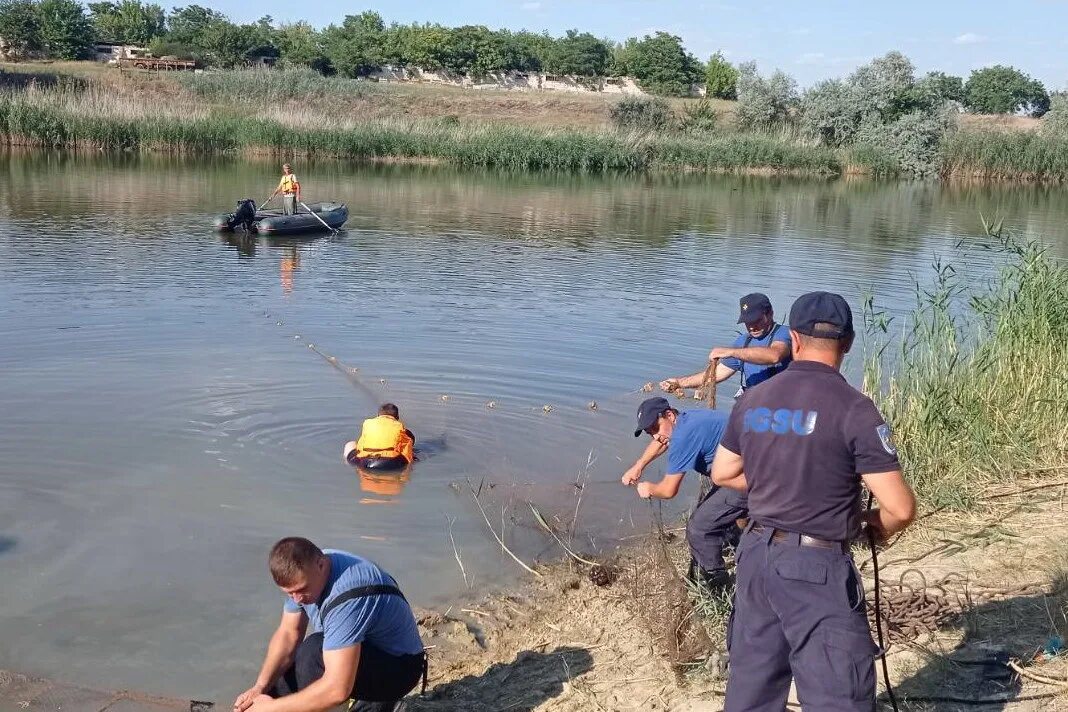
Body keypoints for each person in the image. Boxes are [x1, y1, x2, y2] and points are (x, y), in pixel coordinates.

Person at [711, 291, 917, 712]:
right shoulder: (855, 410)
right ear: (849, 343)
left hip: (755, 555)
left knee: (752, 686)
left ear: (796, 340)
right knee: (837, 694)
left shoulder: (754, 400)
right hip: (816, 568)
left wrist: (778, 485)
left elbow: (723, 473)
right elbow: (900, 509)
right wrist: (870, 524)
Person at [233, 537, 426, 712]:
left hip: (400, 668)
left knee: (313, 653)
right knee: (285, 674)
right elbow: (288, 635)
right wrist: (260, 688)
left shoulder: (349, 597)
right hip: (365, 650)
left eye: (301, 590)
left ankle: (383, 700)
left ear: (321, 564)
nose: (297, 599)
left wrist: (273, 708)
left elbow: (337, 690)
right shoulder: (305, 571)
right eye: (290, 593)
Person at [621, 396, 746, 590]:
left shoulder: (683, 436)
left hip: (747, 478)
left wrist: (649, 489)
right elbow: (662, 441)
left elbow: (669, 490)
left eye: (655, 428)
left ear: (669, 415)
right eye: (649, 433)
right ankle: (737, 559)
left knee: (699, 528)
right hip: (742, 470)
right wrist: (639, 465)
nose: (654, 436)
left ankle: (717, 589)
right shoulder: (686, 420)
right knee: (710, 518)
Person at [660, 293, 792, 397]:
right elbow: (717, 374)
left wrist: (731, 352)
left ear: (770, 314)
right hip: (755, 406)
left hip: (784, 406)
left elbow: (775, 355)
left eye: (756, 320)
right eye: (747, 322)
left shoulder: (784, 333)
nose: (752, 327)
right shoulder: (743, 342)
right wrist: (679, 383)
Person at [344, 403, 415, 471]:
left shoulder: (368, 423)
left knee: (350, 444)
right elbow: (409, 445)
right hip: (391, 463)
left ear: (378, 415)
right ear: (397, 417)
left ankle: (348, 467)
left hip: (365, 462)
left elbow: (361, 445)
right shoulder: (400, 427)